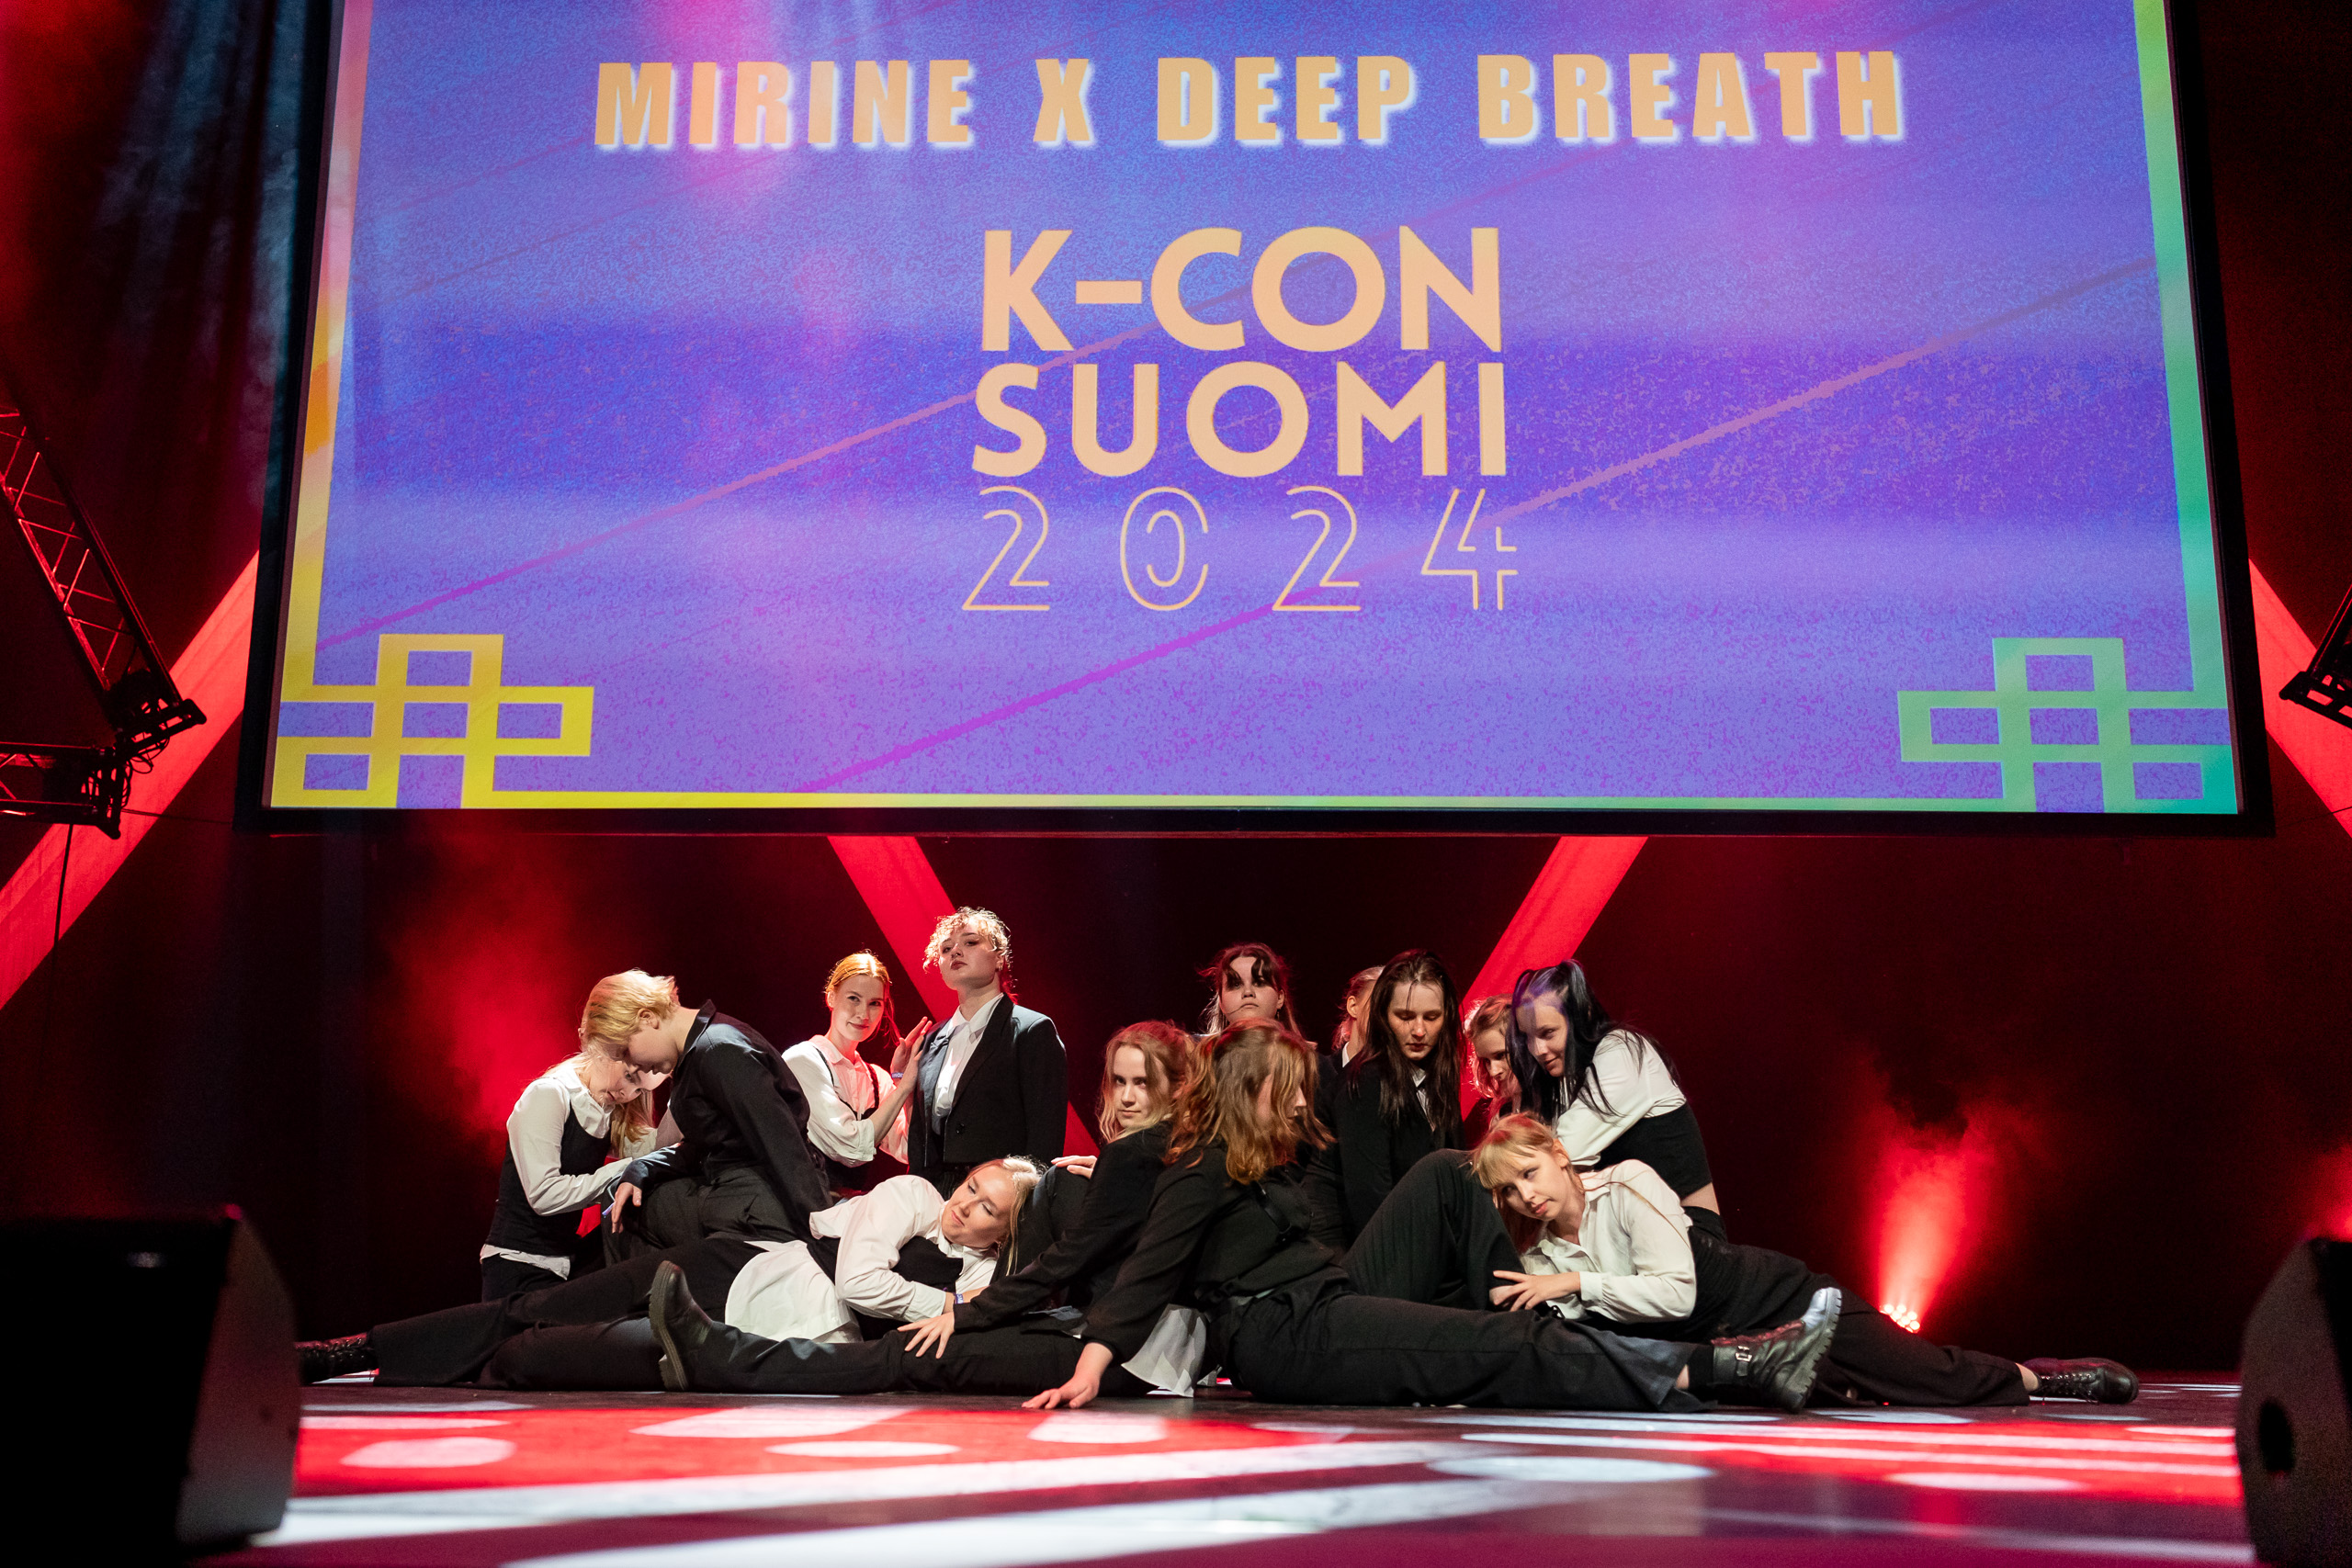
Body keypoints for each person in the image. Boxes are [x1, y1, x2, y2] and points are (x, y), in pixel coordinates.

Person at [1010, 1022, 1838, 1412]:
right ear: (1254, 1089)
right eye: (1291, 1087)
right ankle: (1725, 1369)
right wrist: (1090, 1364)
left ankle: (1534, 1316)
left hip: (1327, 1297)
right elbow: (1148, 1266)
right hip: (1287, 1333)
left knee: (1449, 1170)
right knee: (1502, 1344)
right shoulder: (1197, 1165)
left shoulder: (1260, 1158)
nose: (1303, 1100)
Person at [644, 1021, 1205, 1399]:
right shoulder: (1148, 1158)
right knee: (914, 1347)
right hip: (1109, 1333)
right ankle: (728, 1355)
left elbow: (1070, 1265)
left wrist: (964, 1313)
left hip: (1130, 1346)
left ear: (1178, 1089)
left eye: (1143, 1084)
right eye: (1119, 1081)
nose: (1126, 1097)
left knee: (914, 1351)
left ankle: (726, 1359)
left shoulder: (1142, 1157)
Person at [1470, 1115, 2139, 1405]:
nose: (1526, 1195)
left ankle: (2045, 1378)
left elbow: (1675, 1293)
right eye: (1509, 1190)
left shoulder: (1627, 1184)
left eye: (1529, 1172)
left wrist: (1577, 1282)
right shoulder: (1541, 1253)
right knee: (1848, 1401)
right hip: (1730, 1349)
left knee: (1921, 1375)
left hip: (1776, 1297)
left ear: (1559, 1154)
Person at [294, 1162, 1038, 1392]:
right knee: (541, 1304)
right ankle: (353, 1351)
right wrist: (944, 1301)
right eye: (973, 1185)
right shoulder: (914, 1195)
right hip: (737, 1267)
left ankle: (441, 1364)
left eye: (988, 1207)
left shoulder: (984, 1280)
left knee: (546, 1350)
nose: (967, 1203)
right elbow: (859, 1285)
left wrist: (960, 1303)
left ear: (1005, 1233)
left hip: (754, 1334)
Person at [592, 970, 832, 1254]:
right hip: (728, 1193)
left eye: (625, 1051)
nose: (632, 1066)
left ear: (647, 1018)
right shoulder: (699, 1054)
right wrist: (641, 1168)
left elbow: (783, 1146)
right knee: (618, 1197)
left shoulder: (719, 1050)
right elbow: (709, 1144)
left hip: (756, 1203)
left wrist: (826, 1238)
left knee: (624, 1230)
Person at [1508, 959, 1725, 1239]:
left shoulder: (1622, 1050)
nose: (1537, 1049)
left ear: (1581, 1016)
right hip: (1629, 1237)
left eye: (1548, 1033)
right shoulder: (1562, 1081)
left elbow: (1566, 1150)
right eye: (1527, 1037)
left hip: (1690, 1234)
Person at [478, 1040, 665, 1300]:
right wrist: (627, 1170)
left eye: (639, 1090)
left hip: (566, 1262)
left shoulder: (607, 1108)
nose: (628, 1093)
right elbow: (543, 1195)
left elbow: (656, 1145)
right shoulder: (548, 1094)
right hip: (518, 1267)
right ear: (610, 1050)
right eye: (629, 1077)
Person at [904, 907, 1068, 1193]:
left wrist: (1026, 1202)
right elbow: (921, 1137)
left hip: (996, 1195)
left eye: (970, 942)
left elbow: (1045, 1136)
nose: (955, 952)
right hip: (932, 1192)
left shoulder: (1032, 1031)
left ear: (1000, 958)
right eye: (946, 948)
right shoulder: (933, 1038)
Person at [1311, 951, 1469, 1247]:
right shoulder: (1366, 1082)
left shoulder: (1439, 1081)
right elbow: (1371, 1204)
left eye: (1431, 1017)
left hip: (1418, 1239)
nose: (1419, 1031)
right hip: (1364, 1250)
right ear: (1383, 1017)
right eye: (1404, 1017)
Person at [781, 952, 927, 1196]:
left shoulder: (877, 1079)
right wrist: (902, 1088)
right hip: (797, 1203)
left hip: (843, 1209)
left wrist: (903, 1081)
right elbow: (849, 1147)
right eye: (853, 999)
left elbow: (910, 1149)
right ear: (831, 997)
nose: (864, 1014)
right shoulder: (803, 1060)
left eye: (875, 1003)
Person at [1196, 942, 1303, 1036]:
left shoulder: (1306, 1053)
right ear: (1221, 1002)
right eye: (1236, 985)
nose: (1248, 992)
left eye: (1259, 983)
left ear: (1280, 998)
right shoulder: (1198, 1052)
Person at [1462, 994, 1517, 1145]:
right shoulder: (1502, 1113)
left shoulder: (1556, 1103)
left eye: (1500, 1055)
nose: (1493, 1071)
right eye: (1486, 1060)